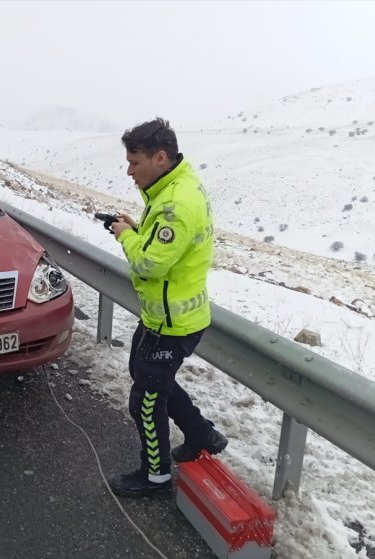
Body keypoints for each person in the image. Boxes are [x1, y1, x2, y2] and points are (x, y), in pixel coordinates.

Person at [107, 117, 227, 498]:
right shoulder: (174, 188)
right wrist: (135, 229)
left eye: (135, 162)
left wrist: (125, 236)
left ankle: (155, 477)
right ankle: (201, 434)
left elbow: (149, 264)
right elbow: (164, 250)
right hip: (168, 315)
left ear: (160, 158)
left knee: (145, 396)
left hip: (172, 322)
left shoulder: (175, 204)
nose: (129, 171)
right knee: (149, 379)